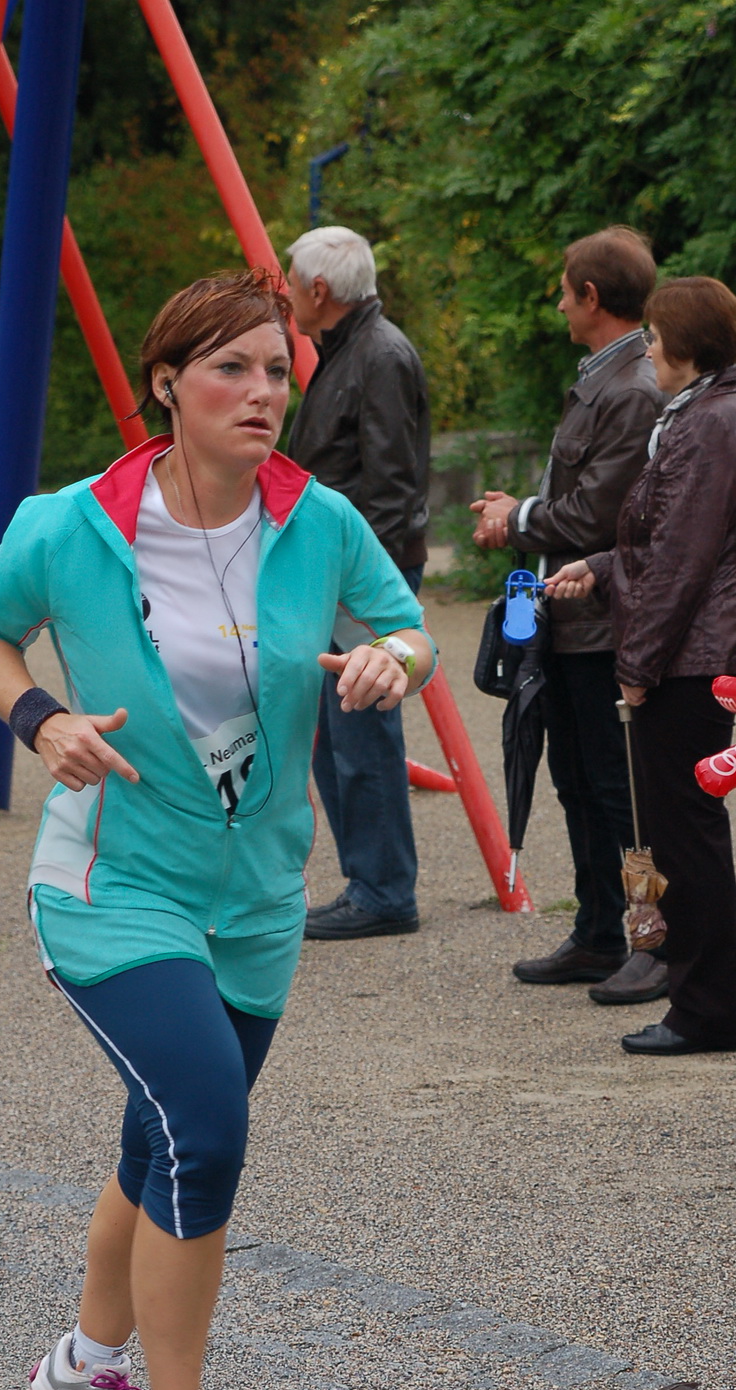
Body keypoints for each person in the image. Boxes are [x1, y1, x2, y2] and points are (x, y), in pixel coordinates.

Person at [0, 269, 435, 1390]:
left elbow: (404, 625)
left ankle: (79, 1371)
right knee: (206, 1133)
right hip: (113, 888)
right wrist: (41, 717)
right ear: (167, 382)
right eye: (233, 369)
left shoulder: (316, 520)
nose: (264, 393)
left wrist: (394, 657)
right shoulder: (73, 523)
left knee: (157, 1138)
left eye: (279, 371)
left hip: (260, 896)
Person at [547, 275, 736, 1054]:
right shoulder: (706, 415)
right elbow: (664, 540)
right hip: (695, 646)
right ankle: (722, 1003)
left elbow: (681, 559)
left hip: (686, 657)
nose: (645, 347)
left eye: (653, 336)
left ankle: (704, 1011)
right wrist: (603, 567)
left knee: (683, 837)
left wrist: (635, 664)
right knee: (688, 833)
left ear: (683, 345)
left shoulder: (709, 424)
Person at [471, 227, 667, 1004]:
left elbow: (600, 512)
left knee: (615, 792)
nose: (557, 302)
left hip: (602, 622)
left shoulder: (630, 388)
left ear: (590, 296)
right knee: (575, 782)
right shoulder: (608, 379)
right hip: (567, 619)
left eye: (563, 289)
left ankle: (647, 943)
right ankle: (594, 933)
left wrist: (514, 516)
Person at [285, 225, 431, 940]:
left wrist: (357, 585)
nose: (284, 292)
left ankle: (381, 889)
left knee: (360, 733)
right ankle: (367, 882)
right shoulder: (350, 352)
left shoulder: (377, 357)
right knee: (334, 735)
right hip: (339, 575)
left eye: (290, 280)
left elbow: (391, 483)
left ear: (318, 290)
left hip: (360, 578)